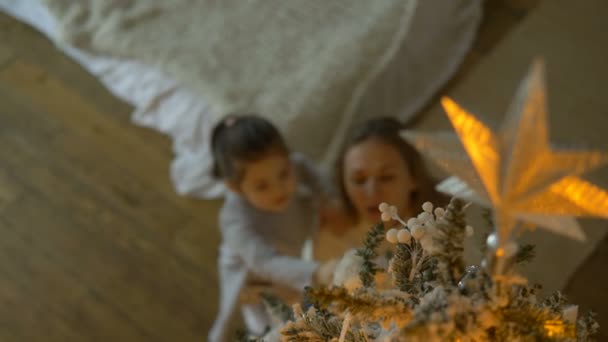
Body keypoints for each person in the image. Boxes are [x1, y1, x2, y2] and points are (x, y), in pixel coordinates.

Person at [207, 114, 337, 342]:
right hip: (253, 272)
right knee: (266, 322)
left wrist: (328, 199)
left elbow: (311, 173)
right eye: (262, 186)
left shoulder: (296, 166)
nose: (279, 189)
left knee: (296, 299)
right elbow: (265, 263)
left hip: (286, 249)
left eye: (284, 174)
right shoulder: (233, 218)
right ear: (235, 188)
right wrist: (316, 272)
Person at [315, 117, 448, 261]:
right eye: (359, 180)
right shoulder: (334, 239)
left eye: (386, 177)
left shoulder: (448, 222)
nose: (372, 192)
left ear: (413, 177)